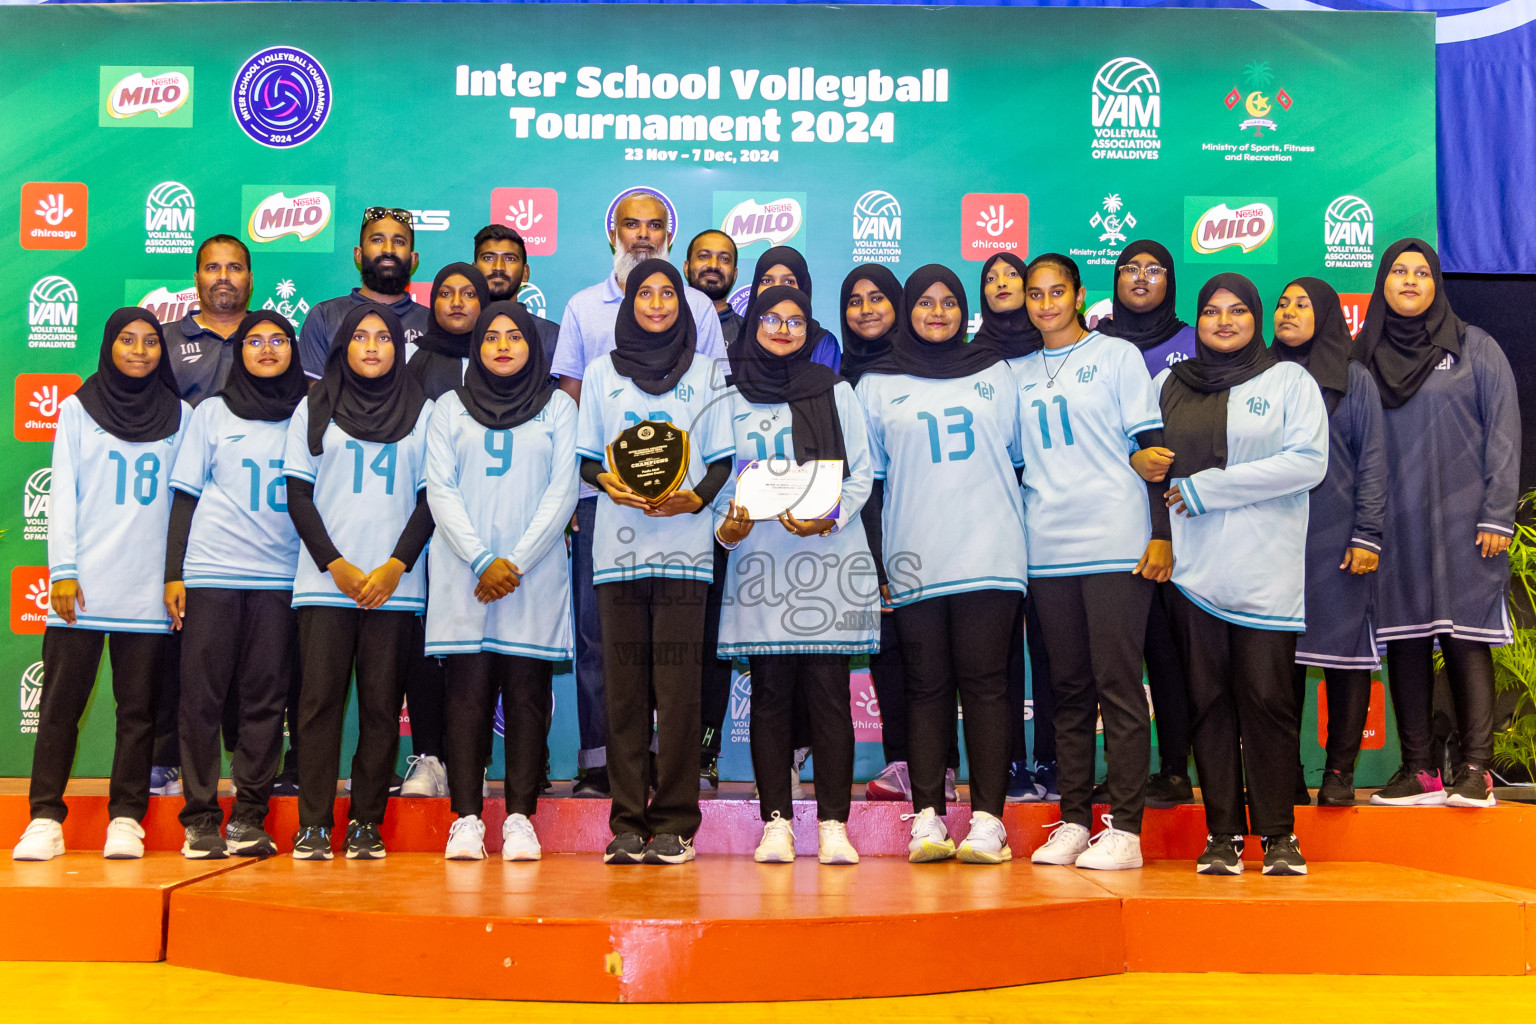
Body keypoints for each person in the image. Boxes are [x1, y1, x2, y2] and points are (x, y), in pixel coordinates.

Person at [552, 190, 728, 797]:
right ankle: (604, 765)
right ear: (613, 233)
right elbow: (571, 402)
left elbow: (713, 405)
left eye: (656, 225)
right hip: (606, 503)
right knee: (602, 640)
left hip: (684, 509)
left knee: (676, 655)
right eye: (632, 224)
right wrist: (590, 486)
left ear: (669, 237)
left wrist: (701, 493)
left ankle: (665, 767)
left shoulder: (699, 308)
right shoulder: (581, 308)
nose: (644, 235)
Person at [1150, 273, 1327, 876]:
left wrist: (1210, 489)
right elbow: (1141, 463)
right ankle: (1222, 833)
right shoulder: (1167, 385)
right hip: (1191, 575)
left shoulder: (1289, 381)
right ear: (1195, 322)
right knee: (1208, 704)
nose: (1223, 321)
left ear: (1255, 318)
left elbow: (1308, 462)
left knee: (1269, 702)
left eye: (1237, 311)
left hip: (1264, 576)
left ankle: (1279, 835)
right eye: (1210, 312)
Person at [856, 265, 1027, 865]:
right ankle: (927, 819)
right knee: (924, 689)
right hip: (913, 558)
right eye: (924, 302)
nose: (936, 312)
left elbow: (1020, 461)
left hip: (991, 555)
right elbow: (868, 487)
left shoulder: (997, 372)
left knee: (985, 687)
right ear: (907, 310)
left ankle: (988, 822)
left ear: (964, 311)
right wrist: (876, 563)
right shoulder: (875, 383)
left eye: (949, 302)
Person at [1006, 254, 1167, 872]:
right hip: (1046, 548)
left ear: (1077, 296)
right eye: (1034, 294)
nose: (1045, 303)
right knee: (1066, 690)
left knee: (1119, 685)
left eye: (1057, 292)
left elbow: (1151, 453)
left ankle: (1125, 828)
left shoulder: (1117, 356)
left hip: (1114, 539)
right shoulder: (1014, 372)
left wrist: (1161, 534)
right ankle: (1075, 820)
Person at [12, 309, 189, 862]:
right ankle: (44, 817)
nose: (139, 351)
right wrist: (62, 570)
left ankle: (126, 818)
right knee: (62, 706)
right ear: (109, 346)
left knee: (139, 710)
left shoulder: (182, 415)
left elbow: (183, 505)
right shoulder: (77, 409)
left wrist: (173, 574)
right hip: (82, 585)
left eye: (151, 342)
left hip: (148, 589)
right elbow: (61, 494)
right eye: (127, 340)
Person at [574, 259, 733, 865]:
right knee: (625, 695)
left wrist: (698, 496)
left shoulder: (706, 373)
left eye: (669, 293)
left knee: (680, 692)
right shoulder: (599, 373)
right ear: (629, 303)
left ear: (684, 305)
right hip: (617, 555)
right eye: (647, 293)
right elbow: (588, 458)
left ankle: (674, 823)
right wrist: (608, 484)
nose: (659, 303)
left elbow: (720, 460)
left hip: (686, 554)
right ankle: (626, 823)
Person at [713, 285, 875, 865]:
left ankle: (833, 824)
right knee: (772, 695)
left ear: (811, 331)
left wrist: (826, 516)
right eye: (772, 319)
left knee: (829, 695)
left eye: (797, 321)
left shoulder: (835, 391)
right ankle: (775, 821)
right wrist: (726, 526)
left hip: (827, 559)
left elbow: (862, 473)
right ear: (753, 322)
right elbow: (716, 483)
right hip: (759, 561)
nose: (783, 329)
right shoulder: (727, 396)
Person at [1356, 240, 1519, 809]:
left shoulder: (1476, 348)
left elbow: (1503, 433)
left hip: (1467, 522)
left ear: (1436, 284)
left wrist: (1498, 513)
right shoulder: (1364, 357)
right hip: (1392, 525)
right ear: (1382, 283)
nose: (1408, 280)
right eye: (1398, 271)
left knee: (1465, 638)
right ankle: (1419, 769)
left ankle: (1477, 770)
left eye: (1421, 272)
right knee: (1404, 639)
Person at [282, 304, 435, 861]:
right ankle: (314, 825)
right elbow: (298, 494)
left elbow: (429, 499)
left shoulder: (425, 411)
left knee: (379, 709)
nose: (372, 346)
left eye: (384, 338)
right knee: (318, 706)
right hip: (328, 584)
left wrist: (396, 564)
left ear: (400, 348)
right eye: (360, 337)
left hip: (396, 587)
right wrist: (336, 565)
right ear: (342, 345)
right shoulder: (313, 405)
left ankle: (366, 822)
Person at [426, 301, 577, 861]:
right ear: (477, 346)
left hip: (530, 577)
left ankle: (519, 817)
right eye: (492, 337)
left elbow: (562, 493)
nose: (504, 346)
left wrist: (511, 562)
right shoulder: (448, 408)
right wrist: (482, 560)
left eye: (516, 336)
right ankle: (465, 817)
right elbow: (440, 490)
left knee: (527, 697)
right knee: (464, 698)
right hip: (465, 577)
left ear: (533, 346)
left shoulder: (559, 407)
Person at [165, 311, 307, 859]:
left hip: (280, 578)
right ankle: (200, 819)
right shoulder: (212, 413)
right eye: (255, 341)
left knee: (265, 701)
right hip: (212, 571)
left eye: (278, 341)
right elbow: (186, 494)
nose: (267, 350)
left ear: (292, 350)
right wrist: (173, 572)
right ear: (240, 351)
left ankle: (249, 815)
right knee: (200, 698)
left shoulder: (310, 413)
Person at [1272, 278, 1388, 808]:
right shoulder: (1260, 377)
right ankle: (1286, 775)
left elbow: (1373, 462)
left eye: (1301, 304)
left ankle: (1340, 773)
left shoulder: (1354, 379)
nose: (1288, 312)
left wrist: (1367, 533)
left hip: (1338, 541)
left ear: (1325, 315)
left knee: (1344, 660)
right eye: (1281, 304)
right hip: (1272, 545)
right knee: (1277, 666)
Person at [153, 233, 257, 799]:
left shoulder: (267, 340)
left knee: (252, 648)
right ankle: (166, 759)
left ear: (250, 277)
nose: (224, 277)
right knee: (178, 637)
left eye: (235, 268)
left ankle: (249, 765)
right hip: (180, 504)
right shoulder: (166, 341)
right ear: (196, 277)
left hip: (250, 519)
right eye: (213, 267)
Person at [1097, 239, 1199, 807]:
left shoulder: (1194, 341)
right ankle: (1122, 772)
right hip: (1111, 521)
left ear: (1170, 280)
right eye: (1128, 268)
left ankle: (1177, 770)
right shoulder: (1097, 345)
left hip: (1181, 518)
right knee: (1116, 659)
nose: (1140, 278)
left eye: (1152, 269)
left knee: (1170, 652)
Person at [971, 252, 1055, 806]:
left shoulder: (1055, 353)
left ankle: (1051, 757)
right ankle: (1007, 764)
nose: (1002, 283)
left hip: (1053, 522)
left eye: (1012, 276)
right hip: (990, 523)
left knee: (1052, 649)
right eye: (990, 278)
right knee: (997, 655)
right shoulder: (967, 358)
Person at [298, 208, 427, 380]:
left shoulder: (431, 323)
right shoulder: (324, 316)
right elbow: (315, 395)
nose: (388, 249)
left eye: (399, 241)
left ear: (413, 259)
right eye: (377, 240)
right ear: (358, 254)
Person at [733, 246, 840, 371]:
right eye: (767, 281)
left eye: (788, 281)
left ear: (803, 287)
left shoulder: (823, 344)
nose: (776, 288)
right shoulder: (738, 346)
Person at [472, 224, 561, 364]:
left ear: (525, 273)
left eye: (509, 259)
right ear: (474, 270)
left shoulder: (551, 336)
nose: (498, 267)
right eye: (489, 258)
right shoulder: (458, 332)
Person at [684, 229, 742, 345]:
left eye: (724, 259)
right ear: (686, 268)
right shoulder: (665, 325)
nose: (714, 265)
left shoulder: (748, 334)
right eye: (704, 256)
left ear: (735, 274)